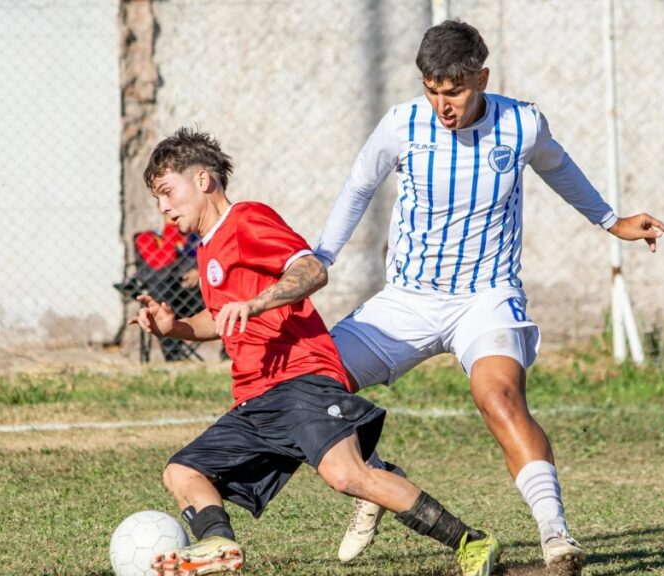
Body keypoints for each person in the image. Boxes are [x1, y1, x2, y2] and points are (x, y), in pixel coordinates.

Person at [313, 20, 664, 575]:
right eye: (431, 90)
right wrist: (324, 258)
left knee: (499, 397)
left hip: (486, 296)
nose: (442, 105)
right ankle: (378, 480)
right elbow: (358, 187)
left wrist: (611, 221)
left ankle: (556, 539)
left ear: (481, 77)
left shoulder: (521, 124)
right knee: (310, 384)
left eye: (454, 90)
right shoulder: (401, 126)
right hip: (406, 299)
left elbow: (559, 169)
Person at [130, 127, 503, 576]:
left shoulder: (246, 220)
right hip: (255, 398)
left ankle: (472, 542)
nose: (163, 207)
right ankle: (218, 546)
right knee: (183, 472)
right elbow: (223, 316)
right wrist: (177, 329)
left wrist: (257, 302)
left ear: (204, 180)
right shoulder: (208, 248)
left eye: (167, 193)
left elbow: (310, 269)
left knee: (348, 476)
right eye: (157, 199)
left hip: (299, 378)